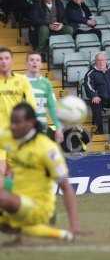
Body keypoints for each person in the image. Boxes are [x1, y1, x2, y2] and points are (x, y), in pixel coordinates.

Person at [0, 103, 80, 240]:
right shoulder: (8, 136)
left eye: (17, 122)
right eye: (12, 122)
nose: (13, 126)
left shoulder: (47, 149)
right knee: (7, 225)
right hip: (17, 198)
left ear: (31, 122)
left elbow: (66, 187)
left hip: (39, 206)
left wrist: (75, 226)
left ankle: (48, 220)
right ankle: (61, 235)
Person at [0, 46, 36, 176]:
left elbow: (32, 106)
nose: (3, 61)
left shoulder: (22, 80)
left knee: (14, 173)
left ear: (11, 61)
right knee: (1, 170)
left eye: (6, 58)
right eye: (0, 59)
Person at [25, 51, 64, 143]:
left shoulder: (46, 83)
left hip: (41, 129)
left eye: (38, 60)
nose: (35, 62)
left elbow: (52, 107)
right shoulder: (20, 82)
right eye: (31, 60)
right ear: (26, 63)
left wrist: (58, 127)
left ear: (41, 64)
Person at [83, 52, 110, 134]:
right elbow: (88, 86)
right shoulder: (90, 73)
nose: (101, 62)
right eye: (98, 60)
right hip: (100, 99)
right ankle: (99, 132)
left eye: (103, 60)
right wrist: (94, 95)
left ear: (106, 61)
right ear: (95, 61)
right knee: (95, 104)